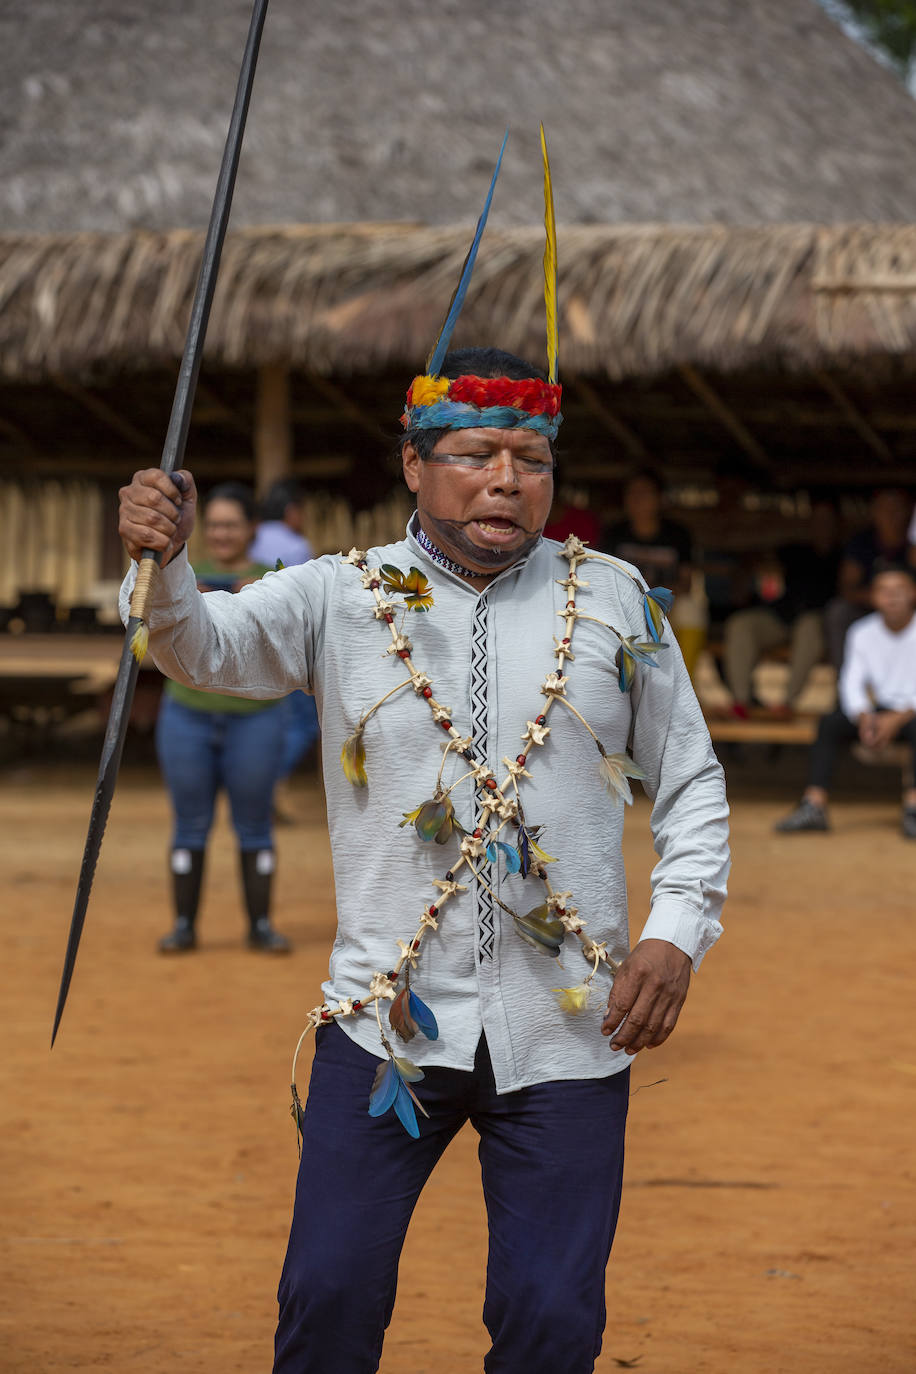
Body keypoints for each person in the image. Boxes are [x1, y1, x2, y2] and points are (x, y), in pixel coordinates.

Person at [116, 142, 728, 1372]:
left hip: (569, 1037)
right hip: (382, 1026)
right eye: (475, 455)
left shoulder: (616, 601)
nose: (508, 480)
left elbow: (695, 780)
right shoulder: (339, 593)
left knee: (553, 1322)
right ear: (414, 465)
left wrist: (676, 929)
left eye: (532, 460)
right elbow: (200, 647)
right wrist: (166, 560)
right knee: (329, 1300)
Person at [153, 482, 292, 953]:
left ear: (252, 528)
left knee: (254, 823)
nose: (222, 533)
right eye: (213, 525)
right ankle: (184, 926)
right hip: (187, 716)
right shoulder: (178, 573)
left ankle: (260, 926)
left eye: (232, 524)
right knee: (189, 823)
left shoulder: (277, 578)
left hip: (256, 718)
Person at [775, 561, 916, 838]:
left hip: (911, 712)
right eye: (884, 590)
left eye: (899, 589)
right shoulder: (862, 632)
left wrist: (899, 717)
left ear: (913, 592)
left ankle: (914, 806)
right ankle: (814, 804)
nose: (892, 596)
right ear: (873, 596)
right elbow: (851, 682)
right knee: (829, 724)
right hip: (876, 711)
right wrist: (864, 716)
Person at [722, 497, 841, 719]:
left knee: (810, 624)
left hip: (815, 628)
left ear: (836, 523)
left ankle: (788, 702)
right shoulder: (793, 551)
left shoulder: (843, 557)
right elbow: (762, 568)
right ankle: (740, 702)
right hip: (781, 618)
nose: (821, 524)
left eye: (826, 519)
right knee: (740, 624)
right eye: (817, 519)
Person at [250, 479, 322, 795]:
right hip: (289, 641)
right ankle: (267, 784)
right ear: (292, 511)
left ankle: (255, 781)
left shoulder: (251, 541)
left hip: (252, 638)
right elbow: (309, 600)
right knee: (303, 724)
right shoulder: (296, 546)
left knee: (263, 720)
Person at [823, 486, 914, 669]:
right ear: (874, 512)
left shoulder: (912, 543)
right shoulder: (861, 543)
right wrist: (874, 597)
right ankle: (844, 684)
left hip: (909, 612)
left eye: (897, 509)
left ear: (908, 512)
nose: (891, 515)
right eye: (885, 509)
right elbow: (846, 587)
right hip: (869, 611)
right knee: (838, 612)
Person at [603, 467, 693, 595]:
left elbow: (685, 584)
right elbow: (605, 579)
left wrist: (653, 595)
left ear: (660, 498)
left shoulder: (677, 535)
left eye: (644, 493)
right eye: (632, 493)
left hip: (667, 604)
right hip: (625, 602)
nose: (637, 500)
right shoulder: (614, 534)